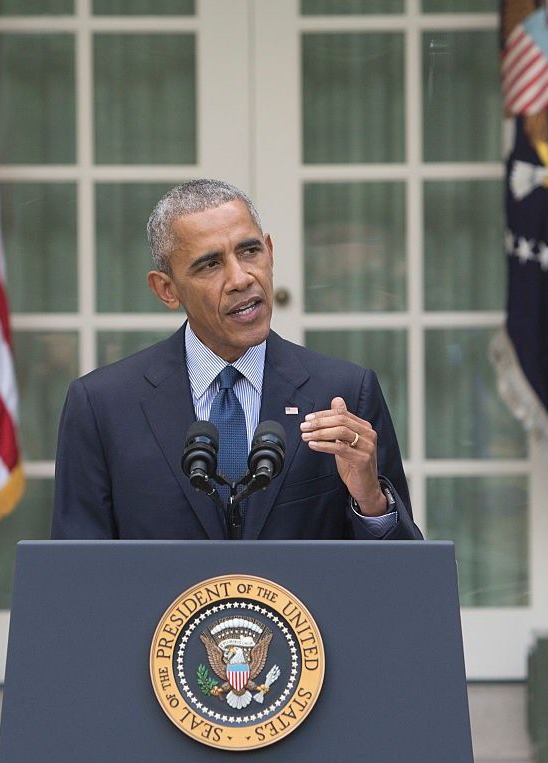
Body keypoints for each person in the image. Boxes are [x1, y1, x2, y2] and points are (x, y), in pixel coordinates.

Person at [51, 179, 421, 540]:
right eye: (210, 265)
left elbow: (404, 580)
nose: (241, 278)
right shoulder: (102, 406)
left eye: (250, 251)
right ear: (166, 289)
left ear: (270, 252)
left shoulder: (344, 392)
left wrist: (370, 498)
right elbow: (76, 576)